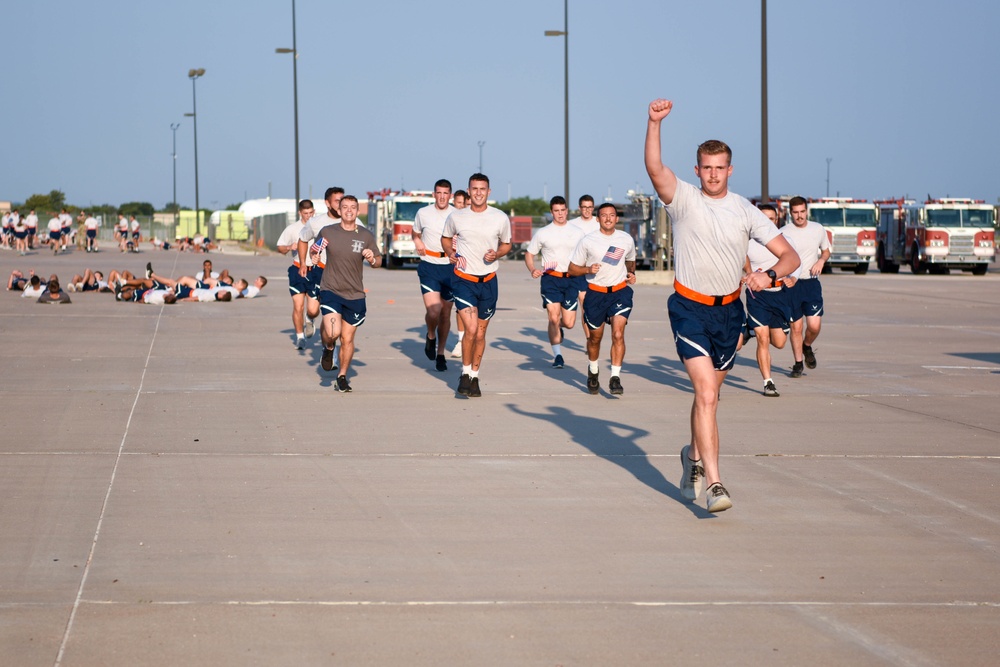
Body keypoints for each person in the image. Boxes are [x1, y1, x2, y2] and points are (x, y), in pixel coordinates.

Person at [644, 98, 800, 513]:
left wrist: (767, 276)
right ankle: (715, 484)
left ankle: (691, 458)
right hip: (689, 308)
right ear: (697, 170)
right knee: (707, 396)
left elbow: (790, 258)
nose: (712, 174)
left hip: (730, 314)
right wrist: (654, 123)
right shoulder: (684, 200)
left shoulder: (746, 212)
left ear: (730, 170)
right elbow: (655, 169)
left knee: (708, 397)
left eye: (720, 168)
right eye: (706, 168)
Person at [297, 195, 381, 392]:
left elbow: (379, 261)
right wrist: (314, 256)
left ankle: (342, 376)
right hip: (331, 289)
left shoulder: (365, 235)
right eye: (345, 207)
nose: (349, 211)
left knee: (348, 339)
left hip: (355, 294)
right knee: (334, 333)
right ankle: (328, 347)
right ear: (339, 210)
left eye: (353, 207)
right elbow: (315, 250)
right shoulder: (328, 231)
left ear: (357, 211)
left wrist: (372, 259)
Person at [441, 173, 512, 397]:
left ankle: (474, 376)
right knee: (470, 330)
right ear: (469, 191)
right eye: (474, 189)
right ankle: (464, 373)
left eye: (483, 189)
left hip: (489, 282)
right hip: (464, 279)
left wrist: (497, 253)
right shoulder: (457, 216)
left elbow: (507, 244)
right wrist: (451, 252)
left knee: (480, 334)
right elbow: (445, 238)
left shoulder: (500, 217)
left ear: (489, 192)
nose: (478, 193)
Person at [568, 203, 636, 394]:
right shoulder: (588, 241)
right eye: (604, 215)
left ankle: (615, 378)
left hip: (620, 292)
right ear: (598, 219)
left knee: (618, 334)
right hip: (596, 294)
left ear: (617, 218)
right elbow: (572, 269)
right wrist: (588, 269)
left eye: (612, 215)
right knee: (595, 339)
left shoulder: (626, 239)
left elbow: (630, 260)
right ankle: (593, 371)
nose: (608, 218)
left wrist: (631, 273)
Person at [525, 196, 585, 368]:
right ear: (552, 212)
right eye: (556, 211)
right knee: (553, 317)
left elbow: (586, 253)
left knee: (569, 323)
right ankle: (557, 355)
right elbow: (529, 253)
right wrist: (532, 269)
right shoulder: (543, 232)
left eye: (563, 210)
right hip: (551, 279)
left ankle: (559, 327)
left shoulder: (577, 232)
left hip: (571, 280)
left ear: (567, 211)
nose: (560, 214)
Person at [744, 204, 797, 397]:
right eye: (763, 218)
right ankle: (768, 382)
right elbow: (742, 257)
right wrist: (748, 274)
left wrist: (793, 278)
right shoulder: (749, 242)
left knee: (780, 342)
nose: (767, 222)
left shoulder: (785, 240)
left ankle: (749, 328)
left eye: (771, 218)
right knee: (763, 339)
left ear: (777, 220)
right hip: (757, 295)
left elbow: (794, 262)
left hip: (780, 294)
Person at [783, 196, 831, 378]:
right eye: (795, 212)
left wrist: (821, 261)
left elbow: (826, 251)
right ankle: (797, 364)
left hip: (811, 283)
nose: (799, 216)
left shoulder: (817, 229)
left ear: (806, 211)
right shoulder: (783, 232)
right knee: (796, 327)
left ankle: (807, 346)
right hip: (792, 284)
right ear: (790, 213)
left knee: (814, 326)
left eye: (802, 212)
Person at [412, 179, 456, 371]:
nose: (442, 196)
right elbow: (415, 233)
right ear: (434, 194)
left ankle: (440, 353)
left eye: (445, 193)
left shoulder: (457, 214)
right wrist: (418, 242)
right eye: (439, 192)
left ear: (451, 195)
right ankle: (431, 334)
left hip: (450, 267)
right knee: (434, 312)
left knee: (445, 313)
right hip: (430, 265)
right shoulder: (423, 213)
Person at [278, 200, 321, 348]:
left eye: (311, 213)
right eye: (305, 213)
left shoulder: (319, 226)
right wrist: (290, 246)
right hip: (297, 270)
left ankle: (310, 319)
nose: (309, 216)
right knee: (298, 306)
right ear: (300, 213)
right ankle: (300, 337)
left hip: (315, 270)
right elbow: (280, 247)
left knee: (313, 309)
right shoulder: (292, 229)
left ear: (314, 212)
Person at [449, 190, 470, 358]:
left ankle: (470, 339)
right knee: (460, 306)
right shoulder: (451, 220)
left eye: (465, 203)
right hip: (456, 268)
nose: (462, 206)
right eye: (459, 203)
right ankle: (461, 341)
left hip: (476, 268)